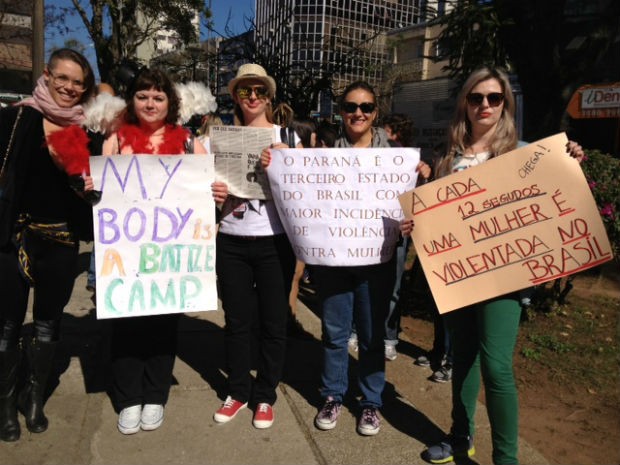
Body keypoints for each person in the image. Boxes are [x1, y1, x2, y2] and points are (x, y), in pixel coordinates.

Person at [400, 67, 584, 464]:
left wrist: (571, 160)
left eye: (493, 98)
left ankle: (506, 459)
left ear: (505, 105)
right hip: (459, 278)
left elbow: (552, 200)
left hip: (505, 279)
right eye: (476, 97)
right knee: (462, 359)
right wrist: (416, 223)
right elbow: (436, 223)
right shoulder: (448, 159)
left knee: (497, 368)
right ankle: (459, 436)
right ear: (464, 103)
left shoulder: (523, 153)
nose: (484, 105)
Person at [283, 81, 428, 436]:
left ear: (375, 112)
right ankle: (332, 395)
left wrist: (421, 183)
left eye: (365, 107)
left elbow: (416, 207)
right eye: (350, 107)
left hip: (377, 261)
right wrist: (277, 160)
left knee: (371, 336)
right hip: (334, 263)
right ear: (341, 112)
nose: (358, 113)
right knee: (334, 334)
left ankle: (370, 403)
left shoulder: (397, 157)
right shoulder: (326, 155)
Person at [99, 67, 208, 435]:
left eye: (158, 97)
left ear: (170, 102)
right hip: (127, 254)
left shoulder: (190, 141)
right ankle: (129, 397)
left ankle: (155, 395)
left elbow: (207, 190)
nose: (150, 103)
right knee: (127, 326)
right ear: (132, 100)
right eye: (143, 96)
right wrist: (92, 183)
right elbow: (102, 193)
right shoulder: (116, 139)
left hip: (169, 256)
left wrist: (217, 193)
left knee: (163, 327)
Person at [0, 48, 96, 442]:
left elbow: (101, 196)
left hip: (61, 241)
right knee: (6, 324)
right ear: (47, 75)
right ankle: (5, 403)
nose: (69, 88)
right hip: (14, 238)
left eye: (78, 82)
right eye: (63, 78)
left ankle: (33, 396)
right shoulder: (17, 117)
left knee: (47, 324)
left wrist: (86, 189)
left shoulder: (88, 131)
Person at [211, 63, 298, 429]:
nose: (252, 97)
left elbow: (304, 195)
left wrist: (286, 164)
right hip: (231, 239)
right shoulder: (217, 139)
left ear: (269, 96)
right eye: (244, 91)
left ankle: (265, 395)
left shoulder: (288, 138)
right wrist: (212, 196)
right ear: (234, 95)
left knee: (274, 322)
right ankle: (238, 391)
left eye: (259, 90)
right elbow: (196, 188)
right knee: (236, 321)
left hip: (274, 242)